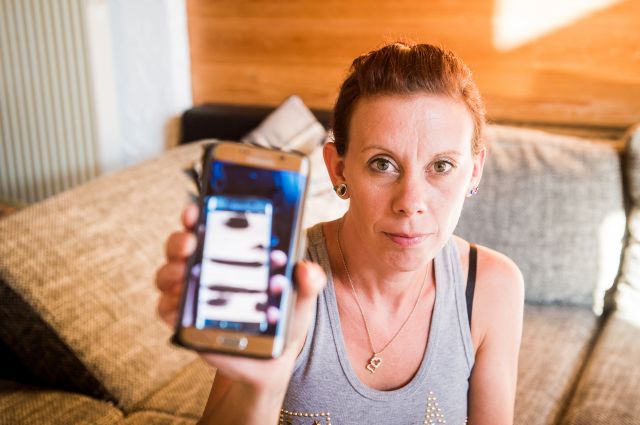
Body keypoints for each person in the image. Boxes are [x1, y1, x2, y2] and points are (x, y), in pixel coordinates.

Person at [156, 41, 524, 425]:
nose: (410, 202)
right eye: (382, 164)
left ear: (474, 171)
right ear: (337, 169)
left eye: (442, 166)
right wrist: (261, 386)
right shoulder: (285, 276)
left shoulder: (493, 287)